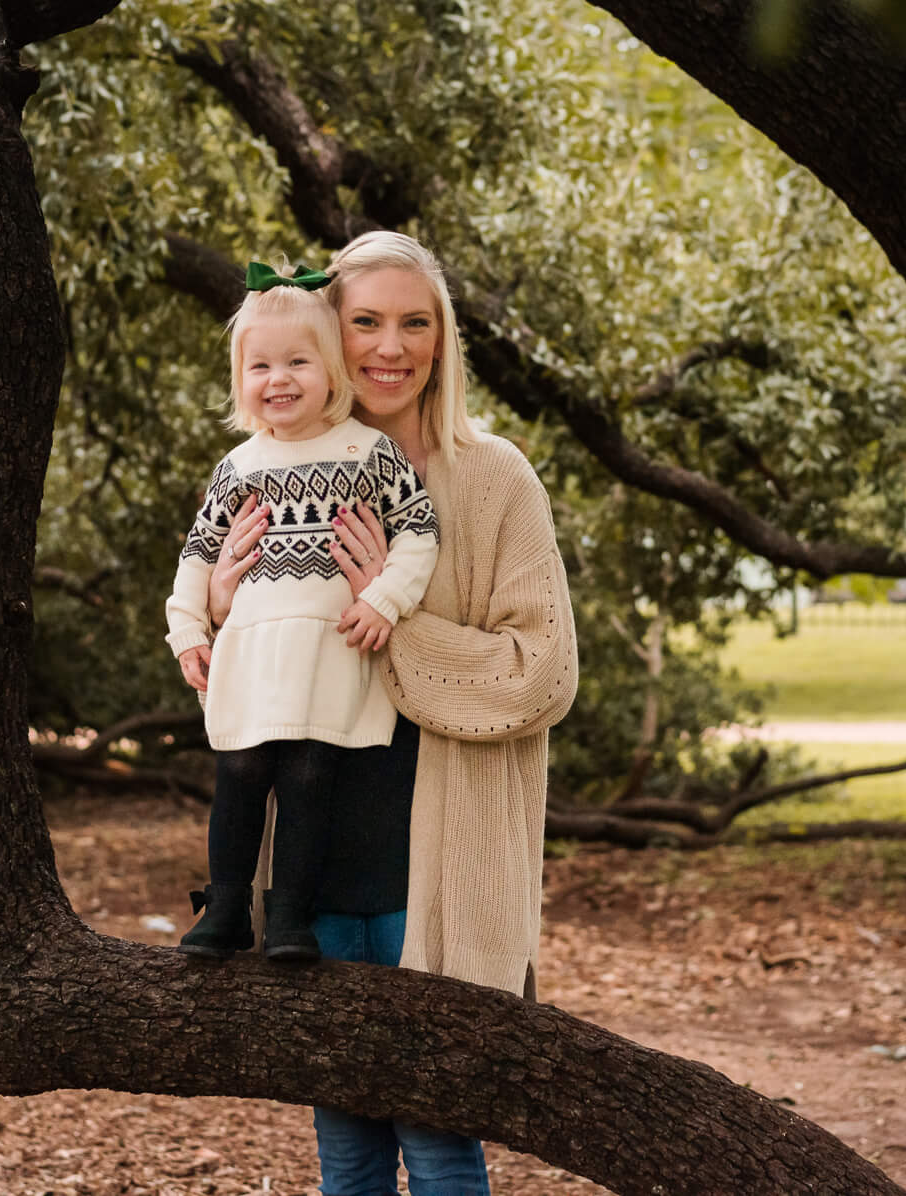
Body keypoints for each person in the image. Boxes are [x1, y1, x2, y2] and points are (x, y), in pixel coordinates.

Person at [200, 231, 579, 1196]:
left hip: (439, 860)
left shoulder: (493, 478)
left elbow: (542, 676)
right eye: (364, 321)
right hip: (318, 867)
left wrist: (395, 619)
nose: (389, 346)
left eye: (417, 323)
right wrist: (220, 606)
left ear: (444, 340)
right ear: (325, 335)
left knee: (442, 1139)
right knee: (348, 1142)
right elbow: (254, 673)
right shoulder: (270, 474)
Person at [165, 271, 439, 963]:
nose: (277, 379)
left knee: (311, 779)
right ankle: (226, 909)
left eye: (297, 362)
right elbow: (198, 555)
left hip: (331, 655)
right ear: (239, 377)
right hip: (255, 656)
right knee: (242, 772)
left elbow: (419, 531)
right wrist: (189, 629)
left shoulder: (366, 454)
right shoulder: (239, 466)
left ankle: (291, 918)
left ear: (333, 372)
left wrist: (384, 598)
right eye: (260, 365)